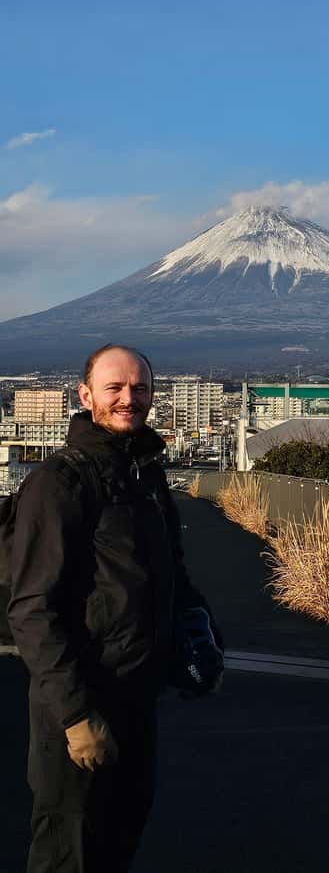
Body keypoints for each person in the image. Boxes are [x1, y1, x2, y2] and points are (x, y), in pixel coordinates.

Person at [8, 344, 222, 873]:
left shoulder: (144, 477)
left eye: (140, 388)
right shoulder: (60, 481)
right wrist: (75, 714)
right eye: (115, 388)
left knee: (118, 841)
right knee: (70, 849)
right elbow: (33, 607)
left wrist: (202, 641)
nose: (130, 398)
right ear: (86, 396)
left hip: (138, 700)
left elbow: (171, 577)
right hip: (80, 706)